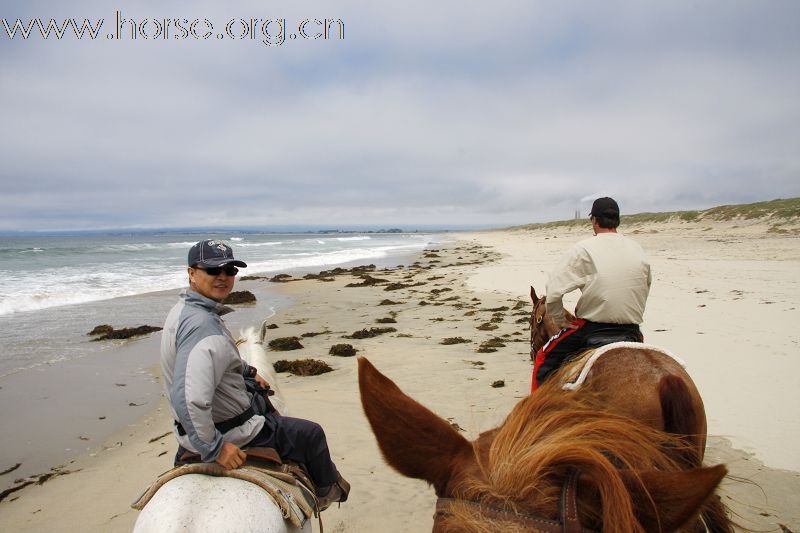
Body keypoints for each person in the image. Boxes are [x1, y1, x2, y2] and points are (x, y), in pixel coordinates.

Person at [161, 239, 349, 509]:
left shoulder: (184, 312)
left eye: (230, 270)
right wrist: (215, 449)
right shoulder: (203, 327)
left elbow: (217, 359)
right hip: (232, 433)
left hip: (187, 436)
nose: (223, 277)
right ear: (192, 273)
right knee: (311, 434)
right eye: (213, 270)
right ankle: (324, 496)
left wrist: (248, 372)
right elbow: (188, 398)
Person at [532, 197, 651, 391]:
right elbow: (646, 285)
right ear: (617, 221)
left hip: (593, 330)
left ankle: (536, 413)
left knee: (543, 359)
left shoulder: (584, 249)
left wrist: (558, 318)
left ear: (594, 221)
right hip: (632, 331)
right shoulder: (636, 248)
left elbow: (553, 291)